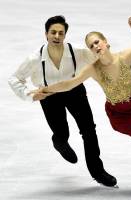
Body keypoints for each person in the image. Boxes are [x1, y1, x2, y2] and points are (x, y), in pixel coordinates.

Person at [31, 15, 131, 191]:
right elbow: (69, 83)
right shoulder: (93, 69)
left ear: (105, 42)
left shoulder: (124, 56)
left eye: (97, 42)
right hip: (119, 114)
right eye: (91, 46)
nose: (95, 47)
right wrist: (46, 90)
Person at [8, 15, 117, 187]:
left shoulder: (77, 51)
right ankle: (59, 142)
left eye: (61, 33)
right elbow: (14, 79)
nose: (57, 36)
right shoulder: (34, 58)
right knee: (62, 133)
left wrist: (105, 51)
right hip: (49, 96)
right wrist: (30, 94)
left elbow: (102, 60)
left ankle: (98, 171)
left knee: (89, 130)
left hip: (75, 92)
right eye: (53, 32)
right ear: (46, 34)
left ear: (65, 35)